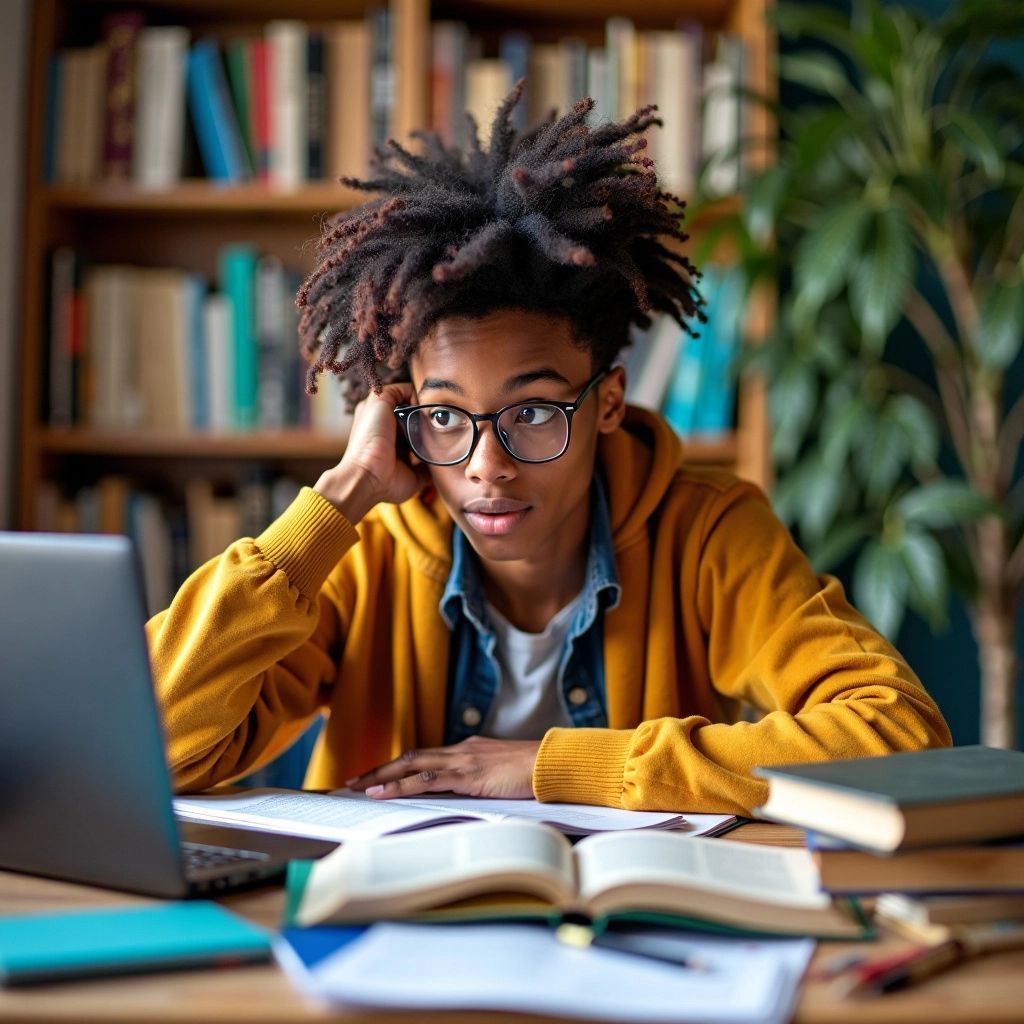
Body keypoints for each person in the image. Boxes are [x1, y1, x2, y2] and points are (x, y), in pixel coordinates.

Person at [147, 85, 951, 815]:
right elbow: (157, 749)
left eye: (531, 412)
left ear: (606, 402)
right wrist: (345, 494)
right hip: (386, 929)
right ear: (399, 415)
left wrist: (554, 766)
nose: (485, 467)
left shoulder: (709, 534)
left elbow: (898, 738)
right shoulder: (362, 555)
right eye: (446, 417)